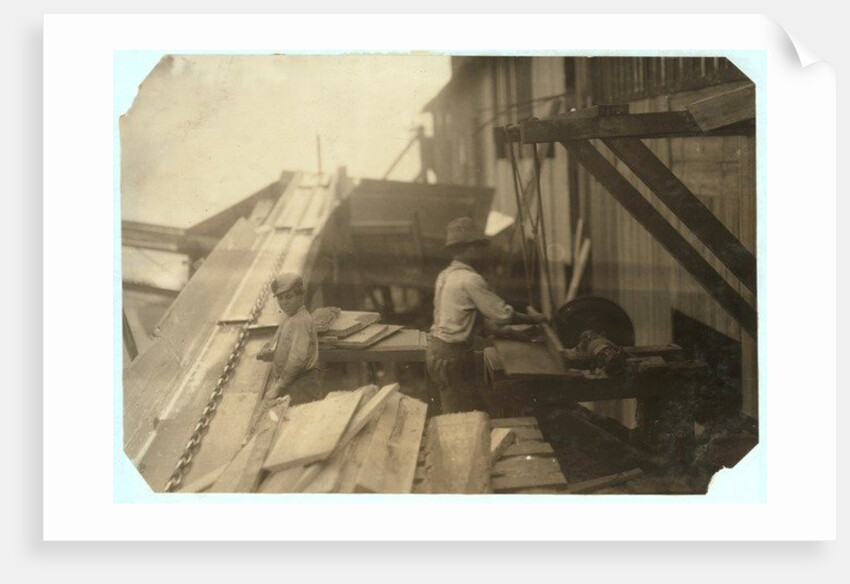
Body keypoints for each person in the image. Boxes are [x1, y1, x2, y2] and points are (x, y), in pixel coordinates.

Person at [426, 217, 548, 414]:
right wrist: (534, 319)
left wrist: (513, 334)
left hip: (437, 351)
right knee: (460, 416)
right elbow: (501, 314)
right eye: (479, 247)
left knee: (457, 408)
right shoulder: (470, 279)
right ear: (470, 249)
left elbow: (470, 322)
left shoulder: (445, 275)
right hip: (452, 357)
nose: (482, 252)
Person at [257, 272, 322, 405]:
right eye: (280, 298)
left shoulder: (300, 322)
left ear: (300, 297)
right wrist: (270, 351)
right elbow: (282, 343)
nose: (284, 303)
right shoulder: (290, 318)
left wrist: (278, 387)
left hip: (302, 385)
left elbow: (297, 359)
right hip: (292, 382)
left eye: (288, 297)